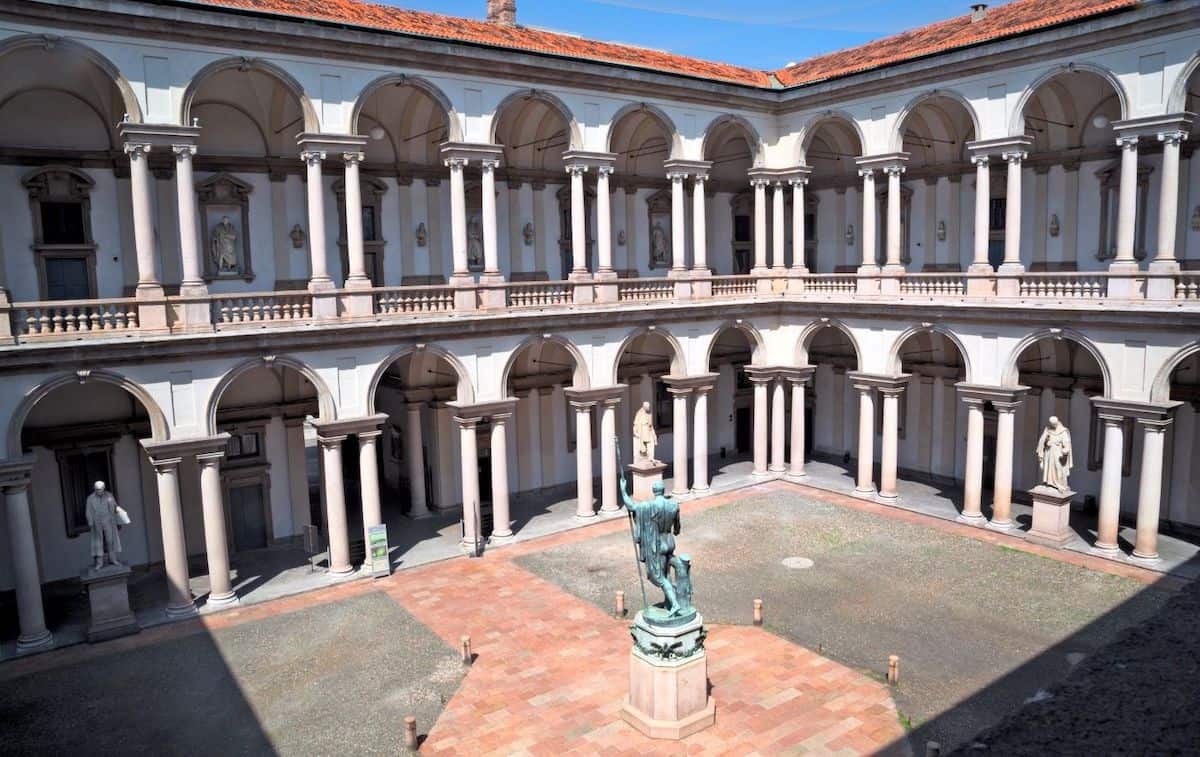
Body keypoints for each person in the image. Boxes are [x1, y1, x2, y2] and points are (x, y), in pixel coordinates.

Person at [619, 472, 692, 617]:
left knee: (658, 577)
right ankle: (671, 601)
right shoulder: (673, 505)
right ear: (664, 491)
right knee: (666, 574)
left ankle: (675, 604)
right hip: (670, 543)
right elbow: (677, 528)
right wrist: (674, 529)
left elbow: (631, 506)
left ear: (654, 492)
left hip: (656, 546)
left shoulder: (648, 506)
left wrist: (623, 490)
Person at [85, 481, 123, 570]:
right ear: (94, 489)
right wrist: (90, 522)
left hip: (108, 521)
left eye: (101, 489)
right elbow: (88, 511)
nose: (99, 491)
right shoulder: (90, 498)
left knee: (110, 540)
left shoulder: (109, 496)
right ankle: (99, 563)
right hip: (96, 522)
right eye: (98, 489)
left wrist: (120, 512)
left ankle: (113, 559)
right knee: (98, 543)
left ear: (104, 488)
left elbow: (114, 506)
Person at [1036, 415, 1074, 491]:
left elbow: (1067, 443)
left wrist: (1065, 450)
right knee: (1049, 467)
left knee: (1058, 468)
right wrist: (1046, 442)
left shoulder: (1063, 431)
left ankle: (1059, 484)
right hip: (1049, 452)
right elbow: (1042, 441)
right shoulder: (1047, 429)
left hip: (1058, 453)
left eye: (1055, 424)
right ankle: (1049, 482)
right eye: (1052, 424)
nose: (1053, 426)